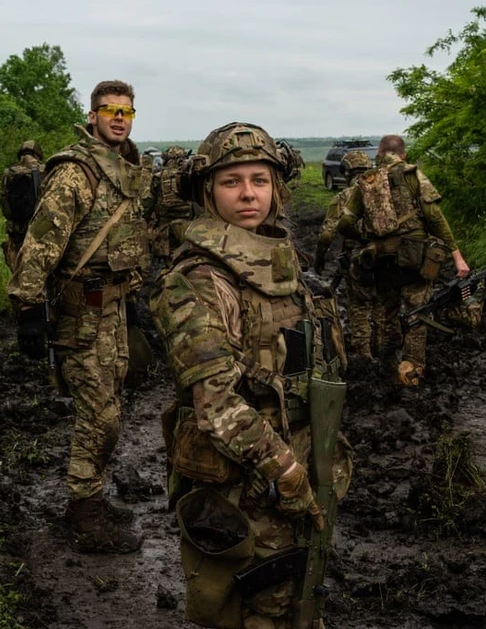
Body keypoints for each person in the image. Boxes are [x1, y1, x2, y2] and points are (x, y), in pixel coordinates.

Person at [150, 122, 352, 628]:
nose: (248, 194)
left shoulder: (282, 262)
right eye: (231, 181)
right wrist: (284, 471)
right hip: (246, 480)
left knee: (301, 598)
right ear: (207, 191)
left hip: (301, 457)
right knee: (257, 609)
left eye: (260, 180)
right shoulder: (198, 278)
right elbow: (216, 403)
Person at [8, 79, 151, 553]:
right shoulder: (76, 172)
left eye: (126, 111)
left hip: (112, 308)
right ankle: (82, 513)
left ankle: (91, 497)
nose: (117, 117)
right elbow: (40, 246)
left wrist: (132, 299)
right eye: (108, 110)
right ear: (92, 116)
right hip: (82, 313)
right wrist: (28, 309)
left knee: (110, 408)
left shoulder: (125, 166)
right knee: (98, 417)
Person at [338, 135, 470, 386]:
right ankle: (412, 373)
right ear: (403, 154)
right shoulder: (412, 175)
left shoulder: (366, 181)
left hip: (381, 262)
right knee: (416, 315)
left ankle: (387, 371)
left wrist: (367, 239)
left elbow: (344, 223)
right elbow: (434, 216)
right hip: (414, 260)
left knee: (386, 317)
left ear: (379, 153)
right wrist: (457, 256)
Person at [315, 149, 379, 362]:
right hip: (388, 257)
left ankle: (364, 353)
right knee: (385, 304)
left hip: (360, 260)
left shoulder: (344, 197)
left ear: (346, 171)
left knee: (359, 306)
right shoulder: (384, 192)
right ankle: (385, 346)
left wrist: (319, 260)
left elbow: (326, 235)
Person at [0, 139, 45, 270]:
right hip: (36, 230)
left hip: (15, 230)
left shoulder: (9, 173)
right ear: (37, 154)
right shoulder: (44, 170)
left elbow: (4, 202)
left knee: (17, 269)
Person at [151, 144, 195, 262]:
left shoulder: (158, 176)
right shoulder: (190, 176)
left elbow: (149, 203)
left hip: (165, 230)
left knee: (162, 266)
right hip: (188, 229)